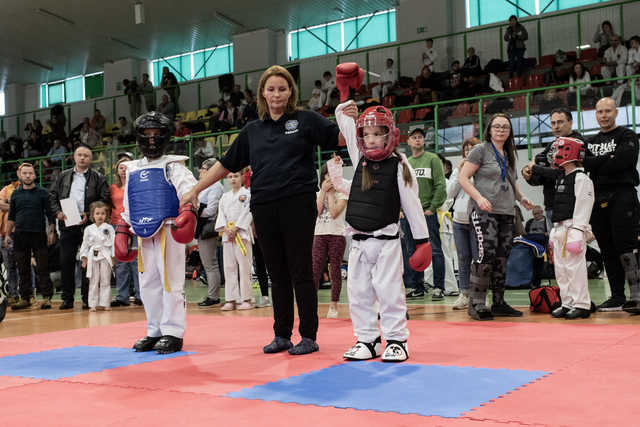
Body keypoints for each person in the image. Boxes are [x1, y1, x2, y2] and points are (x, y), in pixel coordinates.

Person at [181, 65, 351, 356]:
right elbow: (225, 163)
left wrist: (350, 118)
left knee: (300, 270)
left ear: (290, 92)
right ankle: (281, 334)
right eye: (270, 89)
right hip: (264, 207)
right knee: (276, 273)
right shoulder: (252, 130)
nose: (276, 94)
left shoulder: (306, 120)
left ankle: (308, 336)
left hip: (297, 205)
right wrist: (196, 189)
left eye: (282, 89)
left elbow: (341, 139)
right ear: (263, 93)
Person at [330, 102, 431, 362]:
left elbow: (412, 203)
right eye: (367, 134)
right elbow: (342, 119)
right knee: (358, 292)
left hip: (386, 241)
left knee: (389, 292)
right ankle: (367, 339)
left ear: (390, 135)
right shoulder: (360, 158)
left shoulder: (399, 165)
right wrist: (345, 101)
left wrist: (422, 241)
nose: (372, 139)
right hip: (359, 242)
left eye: (378, 134)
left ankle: (397, 339)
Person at [117, 112, 198, 354]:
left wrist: (188, 211)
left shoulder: (174, 165)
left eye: (157, 135)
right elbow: (131, 202)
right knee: (148, 282)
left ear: (166, 137)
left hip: (169, 228)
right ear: (139, 137)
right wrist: (123, 228)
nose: (152, 140)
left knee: (170, 281)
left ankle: (173, 331)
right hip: (143, 232)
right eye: (147, 135)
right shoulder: (132, 169)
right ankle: (154, 329)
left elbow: (190, 191)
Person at [459, 113, 534, 320]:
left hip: (507, 212)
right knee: (486, 255)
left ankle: (499, 302)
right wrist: (479, 197)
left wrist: (522, 197)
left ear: (509, 132)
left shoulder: (509, 153)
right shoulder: (480, 150)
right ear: (489, 129)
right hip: (484, 212)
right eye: (497, 126)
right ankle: (477, 304)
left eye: (505, 127)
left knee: (502, 258)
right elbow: (463, 178)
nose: (501, 130)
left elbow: (511, 180)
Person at [582, 97, 640, 313]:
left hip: (622, 195)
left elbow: (624, 161)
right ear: (595, 114)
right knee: (606, 249)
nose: (604, 115)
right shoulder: (591, 141)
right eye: (599, 111)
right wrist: (608, 158)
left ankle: (637, 296)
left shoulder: (627, 135)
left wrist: (598, 163)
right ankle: (617, 296)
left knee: (626, 247)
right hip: (597, 198)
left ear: (616, 112)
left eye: (608, 111)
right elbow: (585, 164)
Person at [50, 145, 110, 310]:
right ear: (74, 157)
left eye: (86, 155)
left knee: (87, 262)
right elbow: (52, 197)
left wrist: (90, 214)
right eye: (80, 155)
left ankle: (86, 298)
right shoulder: (63, 176)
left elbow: (105, 198)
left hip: (89, 227)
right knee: (66, 261)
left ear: (90, 159)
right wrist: (58, 213)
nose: (82, 158)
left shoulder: (98, 177)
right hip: (67, 224)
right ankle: (67, 299)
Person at [548, 137, 595, 319]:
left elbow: (584, 204)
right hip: (560, 227)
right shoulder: (562, 177)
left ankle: (582, 304)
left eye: (558, 150)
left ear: (568, 151)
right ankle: (567, 302)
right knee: (561, 269)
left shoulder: (581, 178)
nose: (554, 154)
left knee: (575, 268)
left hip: (572, 228)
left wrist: (578, 230)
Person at [522, 107, 584, 229]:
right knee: (555, 246)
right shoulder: (553, 145)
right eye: (553, 123)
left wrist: (534, 168)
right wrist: (527, 173)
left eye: (560, 122)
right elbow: (539, 171)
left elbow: (561, 173)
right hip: (551, 205)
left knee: (573, 246)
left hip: (572, 206)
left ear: (570, 122)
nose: (556, 126)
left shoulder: (578, 143)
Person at [403, 128, 447, 301]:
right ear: (409, 141)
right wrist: (401, 210)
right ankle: (417, 286)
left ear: (424, 141)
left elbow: (440, 186)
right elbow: (401, 189)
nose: (417, 140)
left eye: (420, 137)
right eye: (414, 137)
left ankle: (438, 287)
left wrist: (432, 208)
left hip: (427, 213)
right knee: (412, 252)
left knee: (434, 250)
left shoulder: (433, 159)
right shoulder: (406, 163)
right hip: (409, 215)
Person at [6, 163, 56, 310]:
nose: (28, 176)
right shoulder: (15, 194)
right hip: (20, 235)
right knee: (22, 268)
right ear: (20, 175)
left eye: (30, 173)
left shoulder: (42, 193)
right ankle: (25, 298)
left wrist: (51, 231)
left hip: (39, 234)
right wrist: (8, 234)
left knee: (42, 267)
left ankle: (47, 297)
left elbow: (50, 214)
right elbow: (11, 217)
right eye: (25, 173)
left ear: (34, 175)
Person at [447, 137, 481, 310]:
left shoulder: (482, 169)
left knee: (478, 258)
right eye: (466, 149)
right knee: (463, 257)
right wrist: (460, 173)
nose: (468, 152)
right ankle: (464, 293)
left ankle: (479, 295)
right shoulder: (457, 169)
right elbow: (450, 192)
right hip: (459, 220)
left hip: (477, 219)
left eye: (472, 148)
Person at [313, 162, 348, 319]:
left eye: (333, 175)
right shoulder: (317, 193)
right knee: (315, 270)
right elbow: (317, 211)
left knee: (335, 270)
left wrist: (331, 193)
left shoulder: (342, 193)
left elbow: (334, 213)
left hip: (337, 235)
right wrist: (323, 192)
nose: (329, 178)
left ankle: (334, 304)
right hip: (319, 234)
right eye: (327, 175)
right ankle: (310, 303)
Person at [216, 171, 254, 311]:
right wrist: (226, 228)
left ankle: (246, 299)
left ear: (242, 177)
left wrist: (236, 228)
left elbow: (248, 212)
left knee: (244, 267)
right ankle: (231, 299)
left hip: (242, 233)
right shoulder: (225, 197)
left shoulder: (247, 194)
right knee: (229, 267)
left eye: (236, 176)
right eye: (230, 177)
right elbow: (221, 214)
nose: (233, 179)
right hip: (228, 234)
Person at [109, 157, 141, 307]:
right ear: (116, 170)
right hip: (117, 225)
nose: (124, 170)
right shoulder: (112, 188)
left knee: (136, 261)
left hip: (135, 224)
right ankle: (122, 296)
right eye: (121, 167)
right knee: (121, 262)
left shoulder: (137, 185)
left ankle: (141, 294)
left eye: (127, 167)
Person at [196, 158, 224, 307]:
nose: (201, 170)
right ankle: (212, 295)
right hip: (202, 226)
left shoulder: (216, 186)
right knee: (208, 264)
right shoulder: (205, 186)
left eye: (204, 168)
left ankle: (214, 296)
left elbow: (211, 210)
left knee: (211, 264)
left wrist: (195, 210)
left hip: (208, 227)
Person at [79, 201, 115, 312]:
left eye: (103, 213)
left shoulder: (109, 228)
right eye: (97, 213)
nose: (100, 216)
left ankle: (105, 303)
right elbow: (85, 244)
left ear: (106, 215)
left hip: (105, 255)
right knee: (93, 281)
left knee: (105, 280)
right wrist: (84, 258)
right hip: (93, 256)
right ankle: (93, 304)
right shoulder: (88, 229)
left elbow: (113, 243)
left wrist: (113, 257)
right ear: (92, 215)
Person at [0, 178, 20, 305]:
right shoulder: (6, 189)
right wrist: (15, 206)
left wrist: (9, 204)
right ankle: (13, 294)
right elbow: (0, 204)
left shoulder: (29, 190)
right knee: (9, 266)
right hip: (3, 234)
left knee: (23, 265)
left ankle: (27, 294)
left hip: (19, 233)